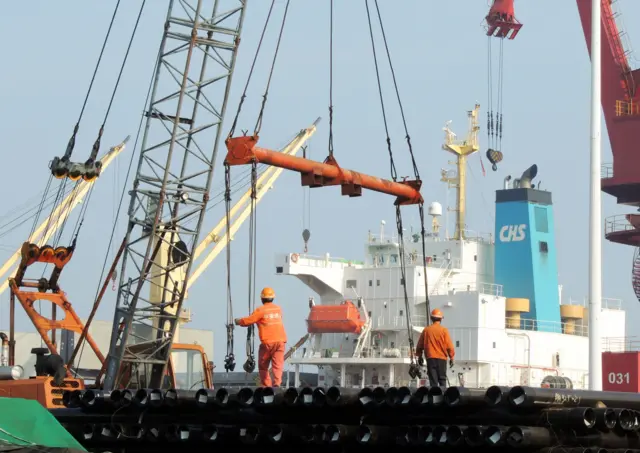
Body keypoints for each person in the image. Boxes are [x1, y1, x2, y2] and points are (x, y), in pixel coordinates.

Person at [235, 287, 287, 387]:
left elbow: (249, 320)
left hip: (267, 343)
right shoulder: (278, 309)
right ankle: (277, 385)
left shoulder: (260, 310)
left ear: (262, 299)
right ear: (273, 298)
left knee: (263, 366)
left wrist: (238, 321)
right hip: (280, 341)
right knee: (278, 366)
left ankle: (267, 387)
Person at [415, 308, 455, 387]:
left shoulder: (426, 330)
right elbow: (450, 346)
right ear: (441, 319)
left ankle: (434, 398)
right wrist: (452, 358)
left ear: (431, 318)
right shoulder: (444, 330)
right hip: (442, 359)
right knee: (442, 380)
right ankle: (443, 397)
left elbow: (419, 345)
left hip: (430, 359)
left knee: (433, 381)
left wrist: (419, 356)